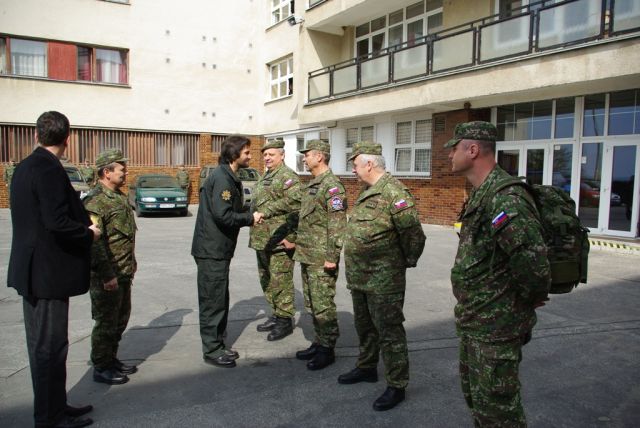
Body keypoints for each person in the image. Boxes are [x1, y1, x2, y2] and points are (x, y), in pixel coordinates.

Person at [446, 121, 551, 427]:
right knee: (480, 403)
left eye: (454, 148)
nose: (450, 155)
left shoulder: (506, 197)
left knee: (499, 412)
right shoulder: (482, 193)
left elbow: (533, 263)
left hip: (496, 326)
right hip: (476, 320)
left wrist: (527, 301)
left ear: (473, 150)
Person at [7, 111, 101, 428]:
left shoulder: (24, 166)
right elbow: (56, 222)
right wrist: (88, 233)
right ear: (67, 139)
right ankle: (50, 417)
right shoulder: (47, 169)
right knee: (49, 348)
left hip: (35, 272)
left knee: (46, 347)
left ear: (36, 135)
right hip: (46, 275)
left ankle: (56, 406)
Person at [338, 142, 426, 412]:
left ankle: (397, 384)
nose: (353, 170)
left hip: (384, 280)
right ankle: (366, 367)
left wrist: (401, 263)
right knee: (365, 327)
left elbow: (414, 236)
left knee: (389, 332)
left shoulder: (394, 193)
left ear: (369, 164)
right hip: (361, 278)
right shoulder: (368, 191)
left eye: (355, 164)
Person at [191, 135, 260, 368]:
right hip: (212, 250)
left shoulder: (228, 175)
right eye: (247, 152)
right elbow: (223, 215)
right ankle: (212, 350)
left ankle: (218, 344)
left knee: (219, 297)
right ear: (234, 154)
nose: (250, 156)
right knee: (213, 300)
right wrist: (250, 218)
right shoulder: (222, 178)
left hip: (218, 249)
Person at [83, 149, 138, 385]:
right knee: (106, 323)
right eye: (121, 169)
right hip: (107, 275)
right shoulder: (95, 201)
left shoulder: (118, 196)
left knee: (120, 320)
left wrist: (131, 263)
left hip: (123, 271)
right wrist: (107, 275)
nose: (125, 173)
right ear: (107, 172)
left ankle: (111, 359)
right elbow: (94, 245)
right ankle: (101, 366)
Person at [292, 139, 346, 370]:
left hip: (322, 258)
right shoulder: (313, 184)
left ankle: (327, 349)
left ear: (319, 157)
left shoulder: (332, 186)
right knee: (312, 303)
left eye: (307, 155)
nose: (304, 158)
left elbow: (337, 224)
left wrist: (332, 256)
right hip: (307, 255)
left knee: (323, 303)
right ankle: (319, 341)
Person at [249, 139, 301, 341]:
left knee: (281, 280)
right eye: (265, 155)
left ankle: (285, 320)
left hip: (280, 240)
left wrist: (292, 237)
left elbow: (297, 206)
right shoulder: (266, 176)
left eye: (271, 154)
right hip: (262, 238)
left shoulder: (288, 177)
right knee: (267, 279)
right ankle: (276, 313)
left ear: (282, 155)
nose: (267, 158)